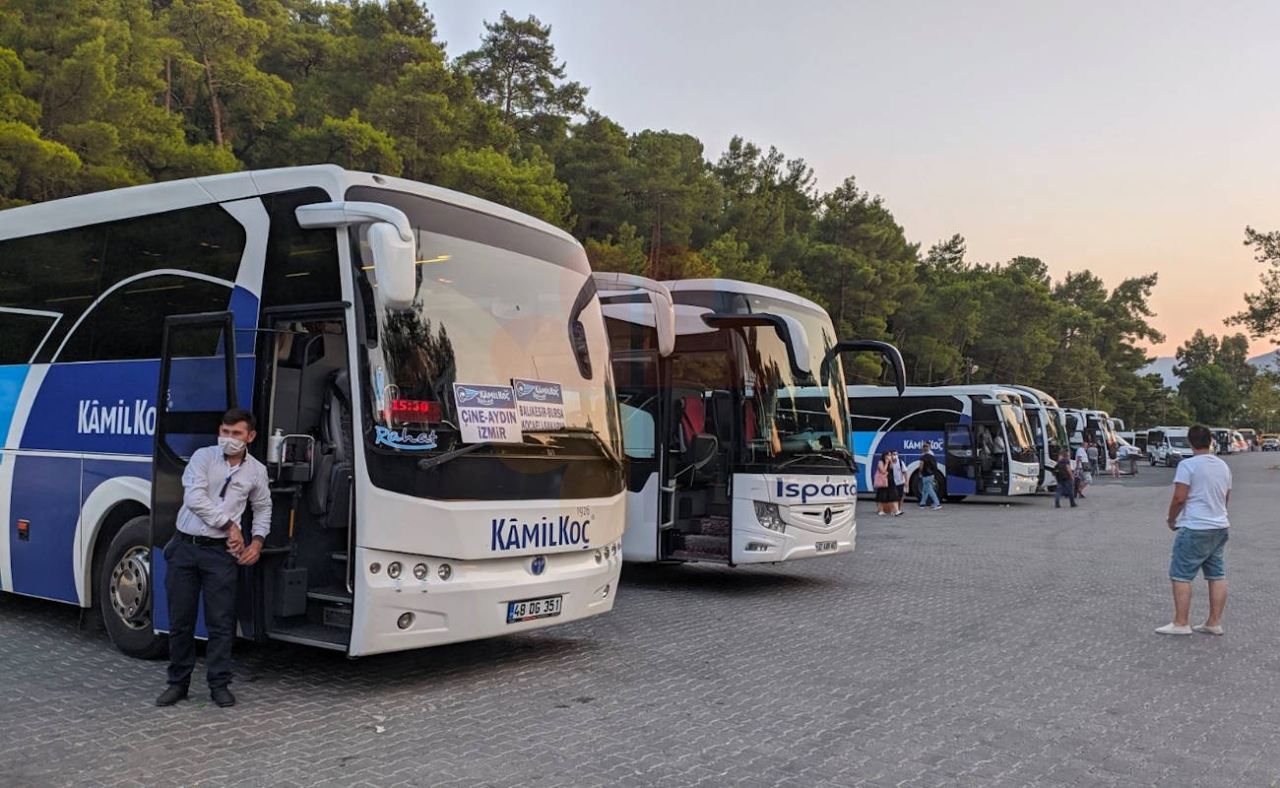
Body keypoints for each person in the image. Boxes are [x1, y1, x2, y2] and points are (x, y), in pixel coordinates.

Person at [156, 409, 272, 708]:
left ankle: (219, 684)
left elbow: (262, 508)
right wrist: (230, 525)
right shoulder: (203, 457)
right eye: (225, 432)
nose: (229, 439)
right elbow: (194, 499)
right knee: (181, 620)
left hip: (221, 555)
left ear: (251, 436)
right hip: (186, 547)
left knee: (221, 623)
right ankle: (177, 683)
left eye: (236, 434)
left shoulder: (256, 471)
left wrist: (257, 542)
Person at [1156, 425, 1232, 636]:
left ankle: (1181, 623)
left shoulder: (1187, 465)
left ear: (1189, 442)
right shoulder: (1223, 466)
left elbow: (1180, 497)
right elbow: (1225, 497)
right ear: (1211, 441)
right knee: (1217, 574)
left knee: (1181, 574)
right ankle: (1213, 622)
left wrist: (1172, 519)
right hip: (1219, 526)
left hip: (1195, 526)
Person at [918, 445, 942, 509]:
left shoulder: (923, 458)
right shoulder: (932, 457)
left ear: (923, 450)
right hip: (931, 475)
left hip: (925, 475)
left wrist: (920, 473)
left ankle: (937, 504)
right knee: (925, 490)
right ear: (928, 449)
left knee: (929, 489)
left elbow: (921, 466)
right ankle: (922, 503)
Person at [873, 452, 894, 516]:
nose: (889, 456)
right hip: (882, 481)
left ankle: (891, 510)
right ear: (884, 456)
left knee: (889, 496)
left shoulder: (889, 462)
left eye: (890, 455)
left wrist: (891, 462)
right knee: (881, 496)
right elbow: (883, 471)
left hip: (888, 481)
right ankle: (880, 510)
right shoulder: (880, 462)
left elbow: (892, 468)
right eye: (888, 455)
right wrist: (887, 463)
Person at [890, 450, 907, 516]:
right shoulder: (889, 463)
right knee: (894, 496)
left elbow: (905, 472)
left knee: (900, 497)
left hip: (900, 482)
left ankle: (898, 509)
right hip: (892, 482)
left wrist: (906, 481)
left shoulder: (900, 462)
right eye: (894, 454)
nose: (895, 456)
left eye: (896, 454)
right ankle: (894, 510)